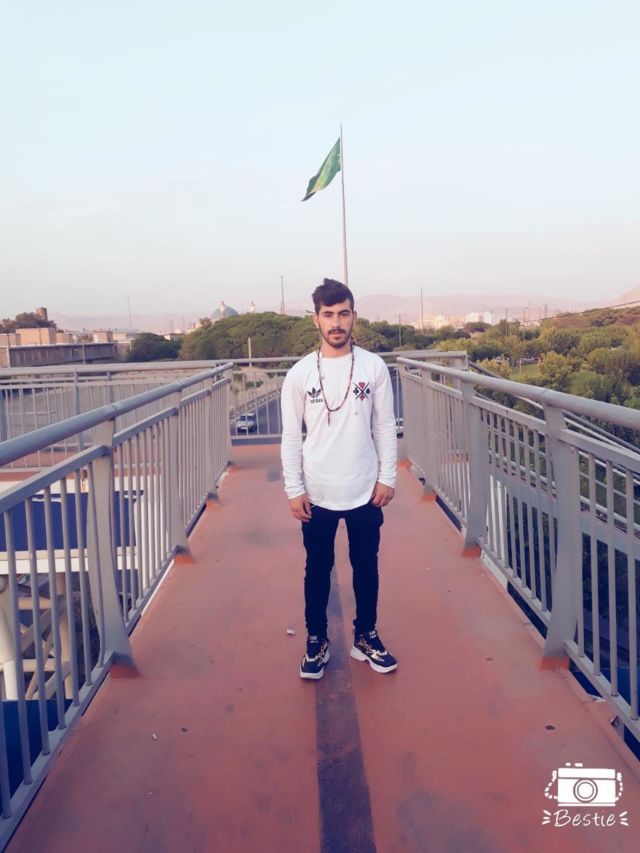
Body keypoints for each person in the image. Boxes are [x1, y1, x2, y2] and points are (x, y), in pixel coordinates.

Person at [280, 279, 398, 680]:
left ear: (354, 317)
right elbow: (291, 436)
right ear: (316, 319)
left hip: (365, 487)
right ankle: (316, 639)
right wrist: (294, 488)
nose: (336, 322)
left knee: (366, 566)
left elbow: (385, 426)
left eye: (343, 314)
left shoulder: (373, 366)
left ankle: (366, 635)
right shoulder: (299, 374)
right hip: (317, 490)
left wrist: (387, 477)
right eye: (328, 315)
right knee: (317, 568)